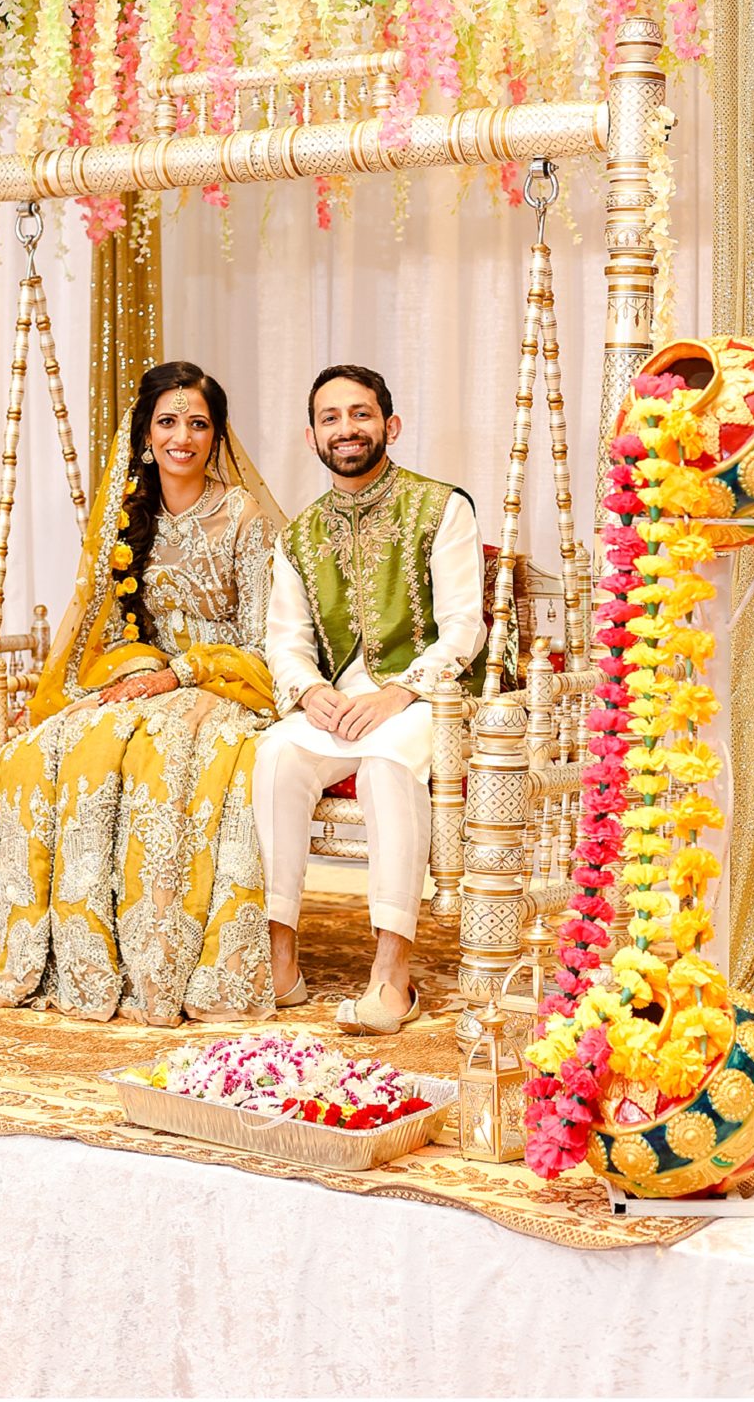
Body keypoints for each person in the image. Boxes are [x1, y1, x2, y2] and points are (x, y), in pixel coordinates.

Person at [0, 362, 276, 1025]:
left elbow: (261, 637)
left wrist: (179, 676)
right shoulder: (126, 511)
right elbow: (97, 623)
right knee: (38, 750)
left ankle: (157, 965)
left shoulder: (242, 514)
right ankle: (45, 951)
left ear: (217, 435)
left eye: (197, 423)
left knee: (160, 755)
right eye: (167, 422)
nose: (182, 437)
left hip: (221, 680)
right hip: (140, 673)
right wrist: (68, 696)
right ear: (146, 433)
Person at [253, 364, 486, 1035]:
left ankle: (392, 977)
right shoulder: (298, 534)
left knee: (387, 761)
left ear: (390, 425)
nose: (346, 429)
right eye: (331, 418)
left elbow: (465, 625)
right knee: (275, 754)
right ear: (310, 436)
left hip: (430, 700)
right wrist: (310, 690)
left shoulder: (441, 507)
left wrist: (399, 691)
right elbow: (287, 640)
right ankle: (281, 961)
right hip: (339, 704)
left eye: (360, 414)